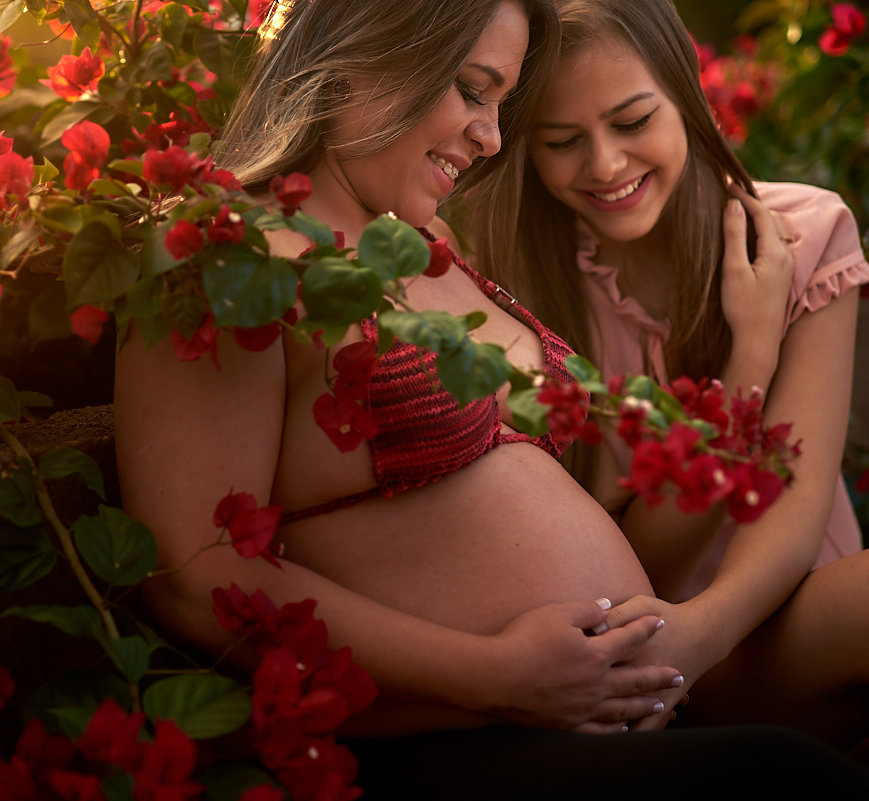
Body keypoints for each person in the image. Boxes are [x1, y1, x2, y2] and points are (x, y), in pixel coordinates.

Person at [114, 0, 869, 792]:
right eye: (474, 92)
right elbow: (191, 576)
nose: (492, 136)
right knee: (788, 775)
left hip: (606, 701)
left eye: (502, 104)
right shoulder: (225, 246)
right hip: (456, 727)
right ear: (368, 52)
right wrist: (496, 675)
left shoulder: (428, 252)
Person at [465, 0, 869, 749]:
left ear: (686, 94)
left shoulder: (802, 234)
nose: (606, 166)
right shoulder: (521, 289)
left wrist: (704, 634)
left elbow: (800, 498)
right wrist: (748, 361)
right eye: (562, 141)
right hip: (659, 645)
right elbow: (643, 564)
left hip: (786, 614)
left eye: (631, 121)